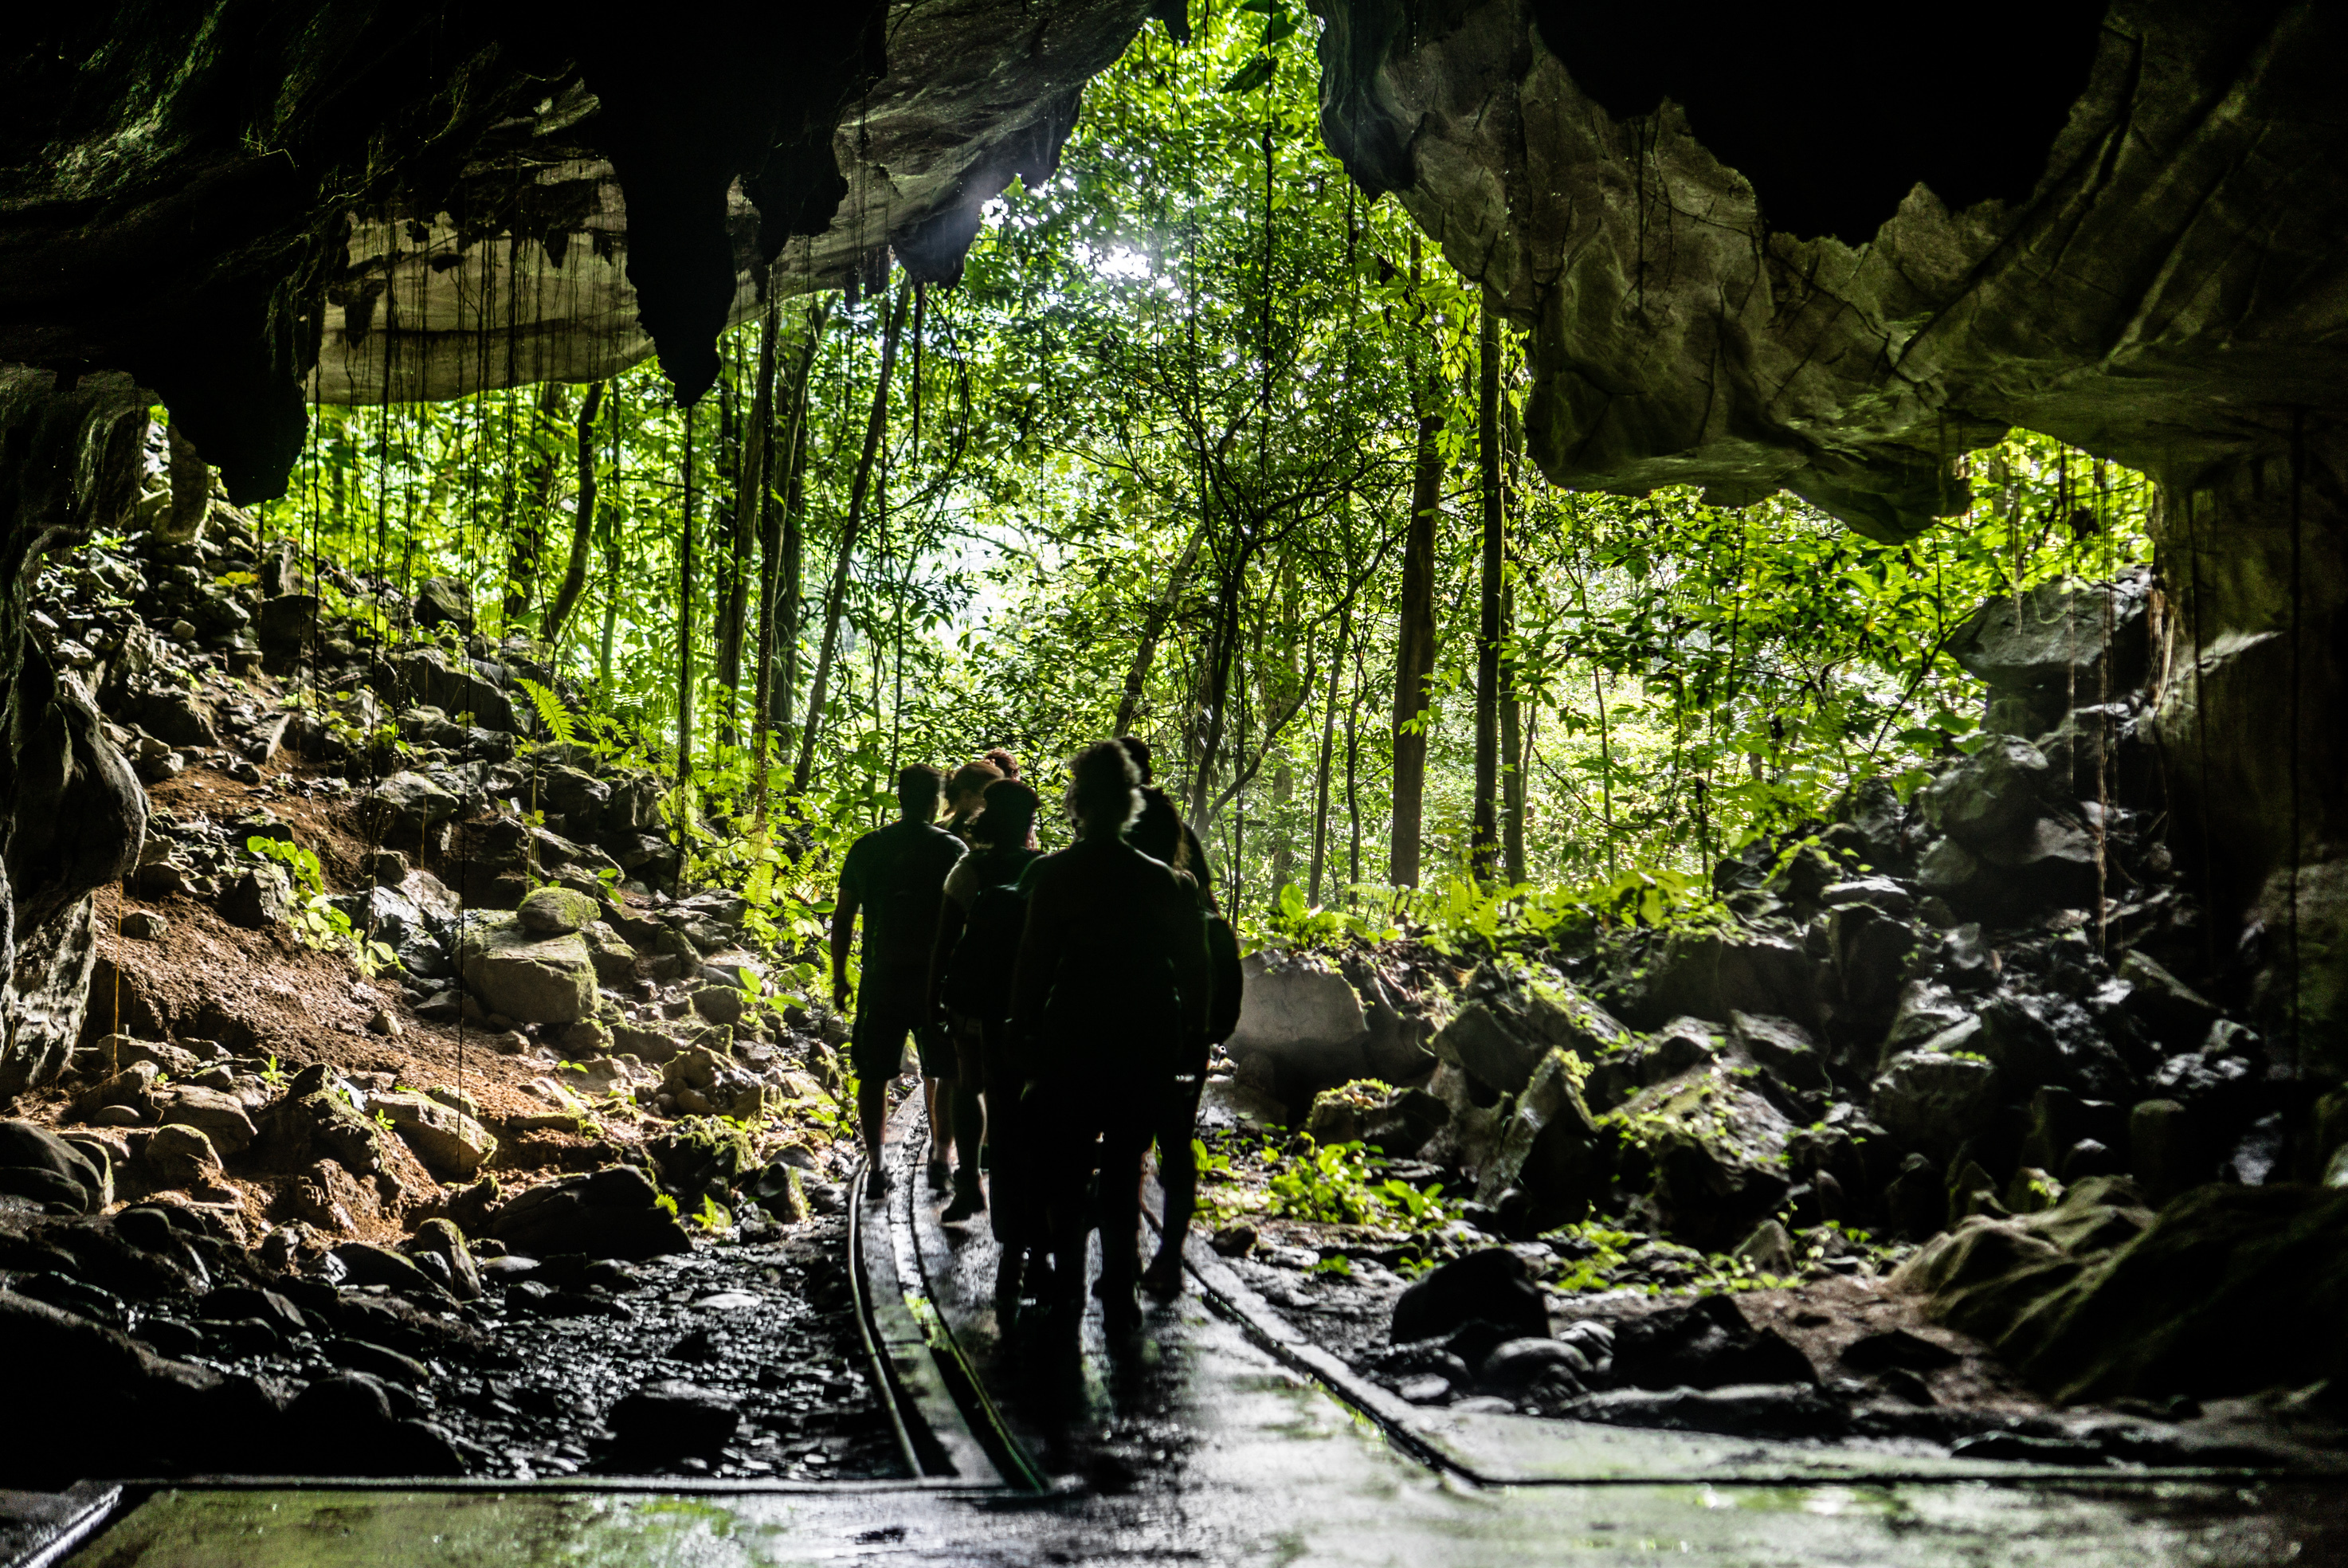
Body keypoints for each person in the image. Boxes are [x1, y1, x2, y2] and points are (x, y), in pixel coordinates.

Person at [1010, 742, 1209, 1336]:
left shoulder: (1053, 876)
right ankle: (1119, 1279)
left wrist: (1020, 1035)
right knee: (1125, 1162)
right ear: (1129, 807)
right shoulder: (1167, 885)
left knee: (1066, 1164)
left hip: (1070, 1037)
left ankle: (1067, 1279)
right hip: (1144, 1041)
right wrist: (1192, 1046)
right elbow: (1194, 975)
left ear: (1076, 806)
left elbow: (1032, 967)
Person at [1116, 734, 1233, 1296]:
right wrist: (1207, 1025)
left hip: (1123, 1022)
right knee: (1174, 1139)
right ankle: (1167, 1257)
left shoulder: (1111, 842)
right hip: (1182, 1032)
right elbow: (1211, 913)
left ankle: (1125, 1259)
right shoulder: (1177, 846)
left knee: (1123, 1140)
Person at [928, 779, 1047, 1280]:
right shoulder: (1045, 870)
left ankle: (971, 1179)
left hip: (974, 1002)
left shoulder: (968, 870)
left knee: (968, 1083)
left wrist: (933, 994)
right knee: (1022, 1103)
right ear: (1028, 824)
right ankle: (1033, 1221)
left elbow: (945, 939)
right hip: (1028, 1007)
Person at [832, 764, 965, 1197]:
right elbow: (966, 919)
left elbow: (844, 916)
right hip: (935, 981)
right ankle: (941, 1158)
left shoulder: (869, 847)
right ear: (936, 801)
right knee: (944, 1070)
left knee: (873, 1072)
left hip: (881, 978)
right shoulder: (951, 850)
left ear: (900, 796)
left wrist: (840, 974)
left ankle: (877, 1166)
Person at [941, 758, 1005, 848]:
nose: (1000, 803)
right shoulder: (974, 838)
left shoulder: (937, 830)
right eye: (991, 797)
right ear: (967, 796)